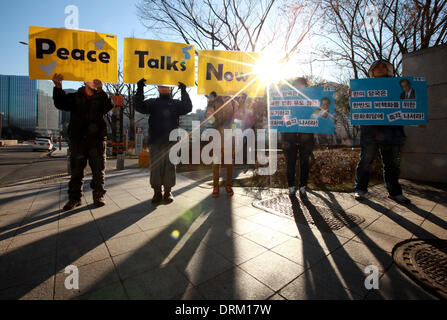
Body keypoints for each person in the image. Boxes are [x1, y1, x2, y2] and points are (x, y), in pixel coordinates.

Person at [52, 73, 113, 211]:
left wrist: (101, 90)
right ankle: (74, 199)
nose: (94, 81)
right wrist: (58, 87)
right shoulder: (75, 96)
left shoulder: (101, 96)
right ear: (84, 80)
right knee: (76, 171)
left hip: (97, 140)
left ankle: (98, 195)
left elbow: (108, 106)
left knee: (98, 170)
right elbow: (60, 103)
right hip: (78, 139)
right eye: (90, 79)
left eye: (96, 79)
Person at [354, 59, 411, 203]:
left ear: (388, 70)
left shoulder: (398, 86)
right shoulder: (363, 87)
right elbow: (356, 110)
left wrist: (418, 119)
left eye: (383, 66)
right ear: (372, 71)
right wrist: (353, 97)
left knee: (390, 164)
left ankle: (395, 192)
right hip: (370, 132)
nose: (380, 68)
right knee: (365, 161)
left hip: (391, 132)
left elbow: (408, 107)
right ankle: (360, 189)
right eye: (376, 67)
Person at [134, 79, 192, 204]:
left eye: (167, 86)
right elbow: (139, 106)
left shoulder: (176, 103)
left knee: (170, 167)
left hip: (171, 141)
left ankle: (167, 191)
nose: (164, 88)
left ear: (170, 88)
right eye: (162, 86)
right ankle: (156, 192)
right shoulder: (152, 102)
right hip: (155, 141)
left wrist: (183, 91)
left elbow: (187, 107)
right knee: (156, 168)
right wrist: (139, 89)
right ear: (158, 88)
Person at [282, 77, 315, 198]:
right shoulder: (287, 100)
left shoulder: (310, 100)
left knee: (304, 163)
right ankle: (291, 187)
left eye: (302, 85)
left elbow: (317, 115)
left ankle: (302, 187)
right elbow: (282, 116)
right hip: (290, 137)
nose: (300, 87)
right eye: (297, 85)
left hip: (306, 136)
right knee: (290, 162)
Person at [205, 92, 239, 198]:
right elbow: (209, 118)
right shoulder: (214, 100)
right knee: (216, 162)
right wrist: (211, 101)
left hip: (229, 136)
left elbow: (236, 120)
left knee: (229, 163)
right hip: (217, 135)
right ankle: (216, 186)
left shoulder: (234, 102)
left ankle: (228, 185)